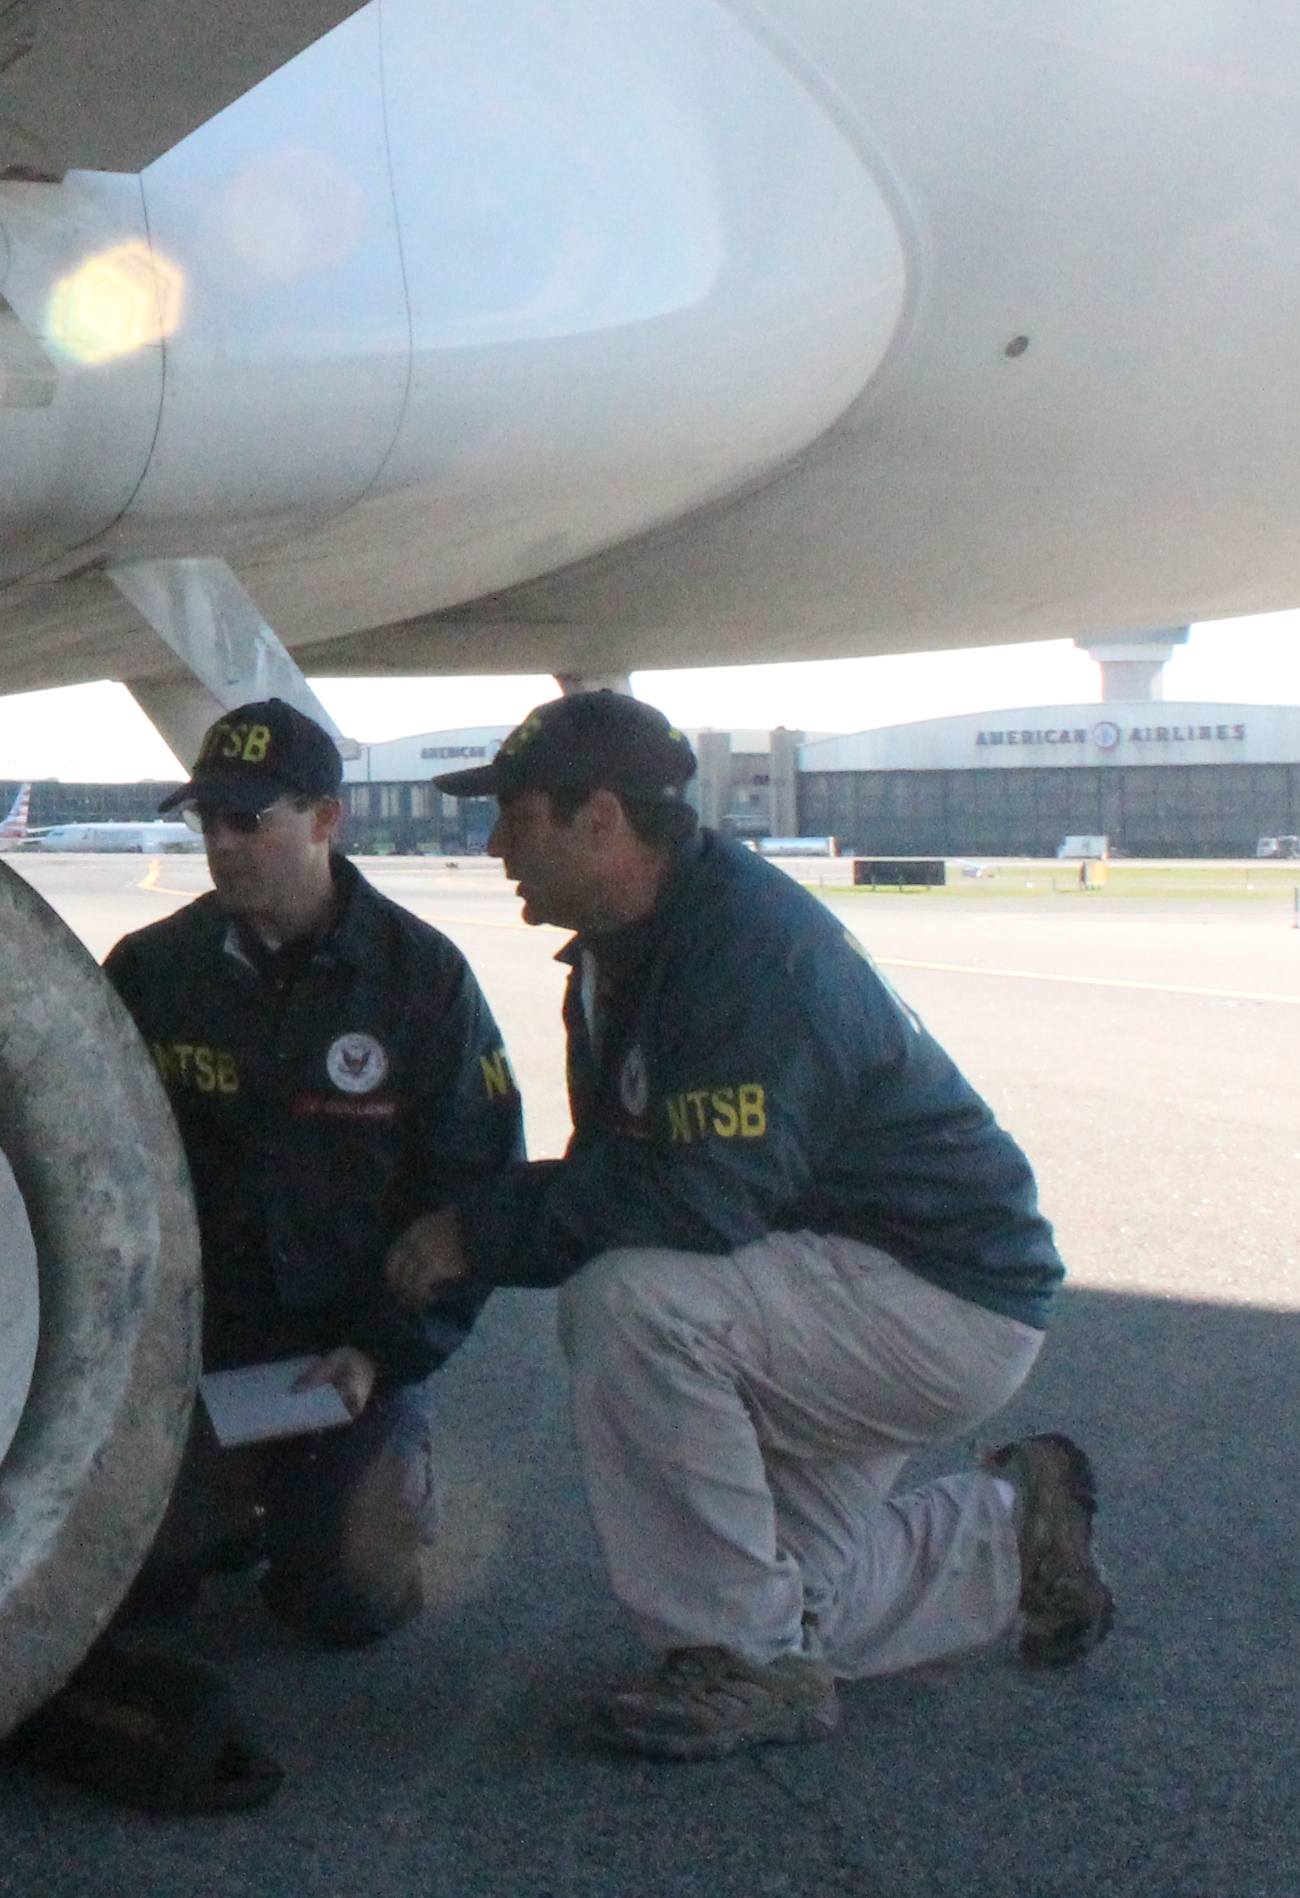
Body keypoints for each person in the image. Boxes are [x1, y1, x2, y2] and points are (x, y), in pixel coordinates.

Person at [384, 688, 1112, 1763]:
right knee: (795, 1598)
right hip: (838, 1285)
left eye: (517, 814)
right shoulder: (629, 943)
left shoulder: (748, 953)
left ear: (601, 821)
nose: (494, 842)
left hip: (932, 1297)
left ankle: (744, 1663)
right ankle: (1014, 1533)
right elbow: (627, 1168)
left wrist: (476, 1232)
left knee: (632, 1299)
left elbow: (694, 1198)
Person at [100, 698, 524, 1647]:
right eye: (208, 819)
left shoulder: (422, 979)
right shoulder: (155, 971)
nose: (222, 843)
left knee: (343, 1603)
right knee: (127, 1598)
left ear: (327, 819)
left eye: (249, 819)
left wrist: (384, 1350)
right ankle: (222, 1508)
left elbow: (476, 1190)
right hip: (190, 1351)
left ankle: (365, 1489)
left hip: (346, 1354)